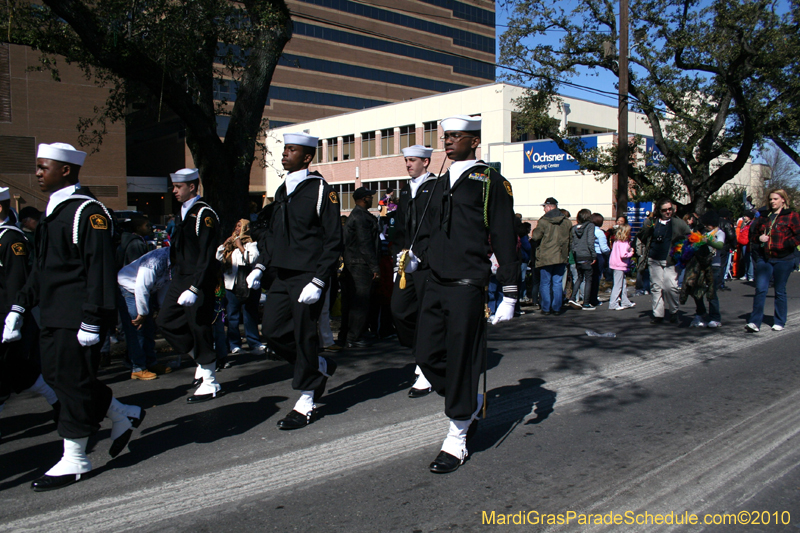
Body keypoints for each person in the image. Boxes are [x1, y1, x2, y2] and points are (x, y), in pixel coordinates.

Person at [3, 143, 144, 492]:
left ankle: (76, 456)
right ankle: (120, 412)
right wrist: (19, 308)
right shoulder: (56, 211)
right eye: (36, 167)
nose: (37, 173)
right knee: (58, 377)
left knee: (70, 383)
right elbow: (42, 271)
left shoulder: (86, 212)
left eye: (43, 167)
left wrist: (94, 320)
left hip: (76, 316)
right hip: (52, 314)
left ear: (66, 170)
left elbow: (98, 269)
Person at [406, 115, 519, 473]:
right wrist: (414, 254)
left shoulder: (490, 182)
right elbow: (424, 227)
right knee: (425, 353)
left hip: (468, 284)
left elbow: (503, 235)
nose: (448, 141)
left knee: (461, 359)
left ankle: (456, 437)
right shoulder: (439, 182)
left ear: (474, 142)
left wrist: (511, 292)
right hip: (434, 280)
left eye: (456, 136)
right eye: (446, 136)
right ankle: (466, 399)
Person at [261, 132, 343, 430]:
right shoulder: (283, 190)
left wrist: (320, 280)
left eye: (291, 150)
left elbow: (334, 239)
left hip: (308, 276)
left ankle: (306, 399)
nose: (285, 154)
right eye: (285, 149)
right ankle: (316, 367)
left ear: (307, 157)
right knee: (271, 331)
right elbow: (273, 233)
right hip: (281, 274)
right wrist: (262, 265)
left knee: (304, 335)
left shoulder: (321, 190)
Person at [156, 168, 222, 403]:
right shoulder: (182, 213)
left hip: (198, 278)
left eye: (178, 187)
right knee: (166, 321)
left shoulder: (204, 213)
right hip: (180, 277)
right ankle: (203, 359)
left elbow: (207, 254)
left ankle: (211, 381)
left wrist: (195, 287)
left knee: (199, 326)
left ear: (192, 187)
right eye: (174, 187)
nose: (174, 191)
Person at [0, 188, 60, 436]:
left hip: (7, 319)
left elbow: (16, 284)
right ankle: (57, 400)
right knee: (16, 372)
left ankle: (59, 401)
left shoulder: (11, 240)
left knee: (12, 370)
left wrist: (14, 319)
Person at [390, 145, 438, 397]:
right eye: (406, 160)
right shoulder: (406, 189)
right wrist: (397, 257)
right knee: (399, 310)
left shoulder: (437, 187)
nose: (408, 164)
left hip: (428, 263)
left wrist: (422, 256)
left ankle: (425, 367)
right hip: (405, 263)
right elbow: (400, 228)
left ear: (426, 162)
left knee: (426, 316)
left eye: (412, 160)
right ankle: (424, 354)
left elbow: (438, 228)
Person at [745, 189, 800, 332]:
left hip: (784, 259)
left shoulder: (792, 216)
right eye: (770, 199)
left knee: (780, 290)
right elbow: (753, 235)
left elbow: (798, 235)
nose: (772, 202)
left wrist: (786, 244)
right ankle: (755, 322)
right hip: (765, 258)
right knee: (760, 289)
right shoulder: (764, 217)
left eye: (775, 199)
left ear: (783, 200)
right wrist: (759, 238)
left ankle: (780, 320)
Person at [117, 247, 173, 380]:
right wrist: (142, 313)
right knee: (137, 329)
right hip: (130, 288)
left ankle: (150, 362)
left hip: (145, 292)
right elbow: (141, 286)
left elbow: (165, 284)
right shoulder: (155, 261)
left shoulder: (173, 263)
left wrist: (161, 307)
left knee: (148, 328)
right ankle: (138, 367)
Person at [636, 198, 691, 324]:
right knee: (656, 287)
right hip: (654, 258)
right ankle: (658, 314)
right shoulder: (653, 222)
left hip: (670, 260)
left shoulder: (678, 223)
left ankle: (674, 311)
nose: (668, 212)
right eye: (664, 210)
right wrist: (648, 223)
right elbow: (642, 236)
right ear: (659, 211)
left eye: (670, 209)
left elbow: (689, 236)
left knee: (670, 287)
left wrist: (682, 249)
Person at [339, 187, 380, 348]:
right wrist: (375, 267)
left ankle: (348, 335)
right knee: (360, 302)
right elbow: (365, 244)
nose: (372, 200)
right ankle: (353, 337)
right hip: (360, 265)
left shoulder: (356, 216)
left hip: (354, 263)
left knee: (352, 302)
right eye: (370, 197)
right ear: (364, 199)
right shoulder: (361, 217)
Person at [216, 219, 263, 355]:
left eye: (240, 226)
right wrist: (226, 244)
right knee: (232, 316)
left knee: (250, 314)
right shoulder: (230, 245)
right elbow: (219, 257)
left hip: (248, 285)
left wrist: (241, 246)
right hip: (231, 285)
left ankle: (254, 342)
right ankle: (234, 344)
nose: (237, 229)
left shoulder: (251, 244)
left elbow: (252, 259)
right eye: (236, 226)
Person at [530, 197, 571, 315]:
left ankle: (546, 308)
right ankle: (557, 308)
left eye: (544, 207)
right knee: (557, 283)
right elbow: (570, 239)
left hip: (546, 255)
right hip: (561, 255)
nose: (544, 210)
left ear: (549, 206)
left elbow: (536, 237)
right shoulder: (566, 222)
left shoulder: (543, 221)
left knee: (545, 283)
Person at [684, 211, 725, 328]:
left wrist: (709, 241)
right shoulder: (703, 232)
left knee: (711, 293)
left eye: (707, 224)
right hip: (701, 265)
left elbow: (720, 245)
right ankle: (700, 313)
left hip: (714, 265)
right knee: (697, 290)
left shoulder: (719, 233)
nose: (705, 226)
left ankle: (715, 317)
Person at [568, 209, 596, 310]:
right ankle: (586, 303)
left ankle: (572, 297)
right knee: (588, 279)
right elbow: (590, 241)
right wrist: (593, 255)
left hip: (578, 255)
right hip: (587, 255)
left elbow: (572, 243)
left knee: (579, 277)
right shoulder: (590, 226)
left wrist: (574, 254)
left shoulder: (574, 228)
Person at [608, 224, 635, 310]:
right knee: (618, 285)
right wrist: (631, 253)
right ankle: (613, 303)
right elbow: (623, 255)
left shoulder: (617, 241)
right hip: (619, 265)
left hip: (615, 264)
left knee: (623, 284)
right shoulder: (624, 242)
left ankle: (625, 301)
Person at [588, 213, 610, 305]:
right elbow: (604, 248)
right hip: (598, 255)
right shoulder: (600, 232)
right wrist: (610, 251)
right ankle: (593, 299)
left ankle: (587, 298)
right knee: (596, 279)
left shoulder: (588, 231)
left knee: (589, 279)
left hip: (588, 255)